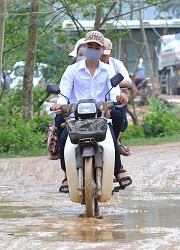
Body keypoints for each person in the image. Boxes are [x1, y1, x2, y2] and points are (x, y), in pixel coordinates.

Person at [50, 31, 132, 193]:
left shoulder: (108, 70)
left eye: (97, 47)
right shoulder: (71, 70)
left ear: (102, 50)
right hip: (75, 118)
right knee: (65, 140)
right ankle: (67, 175)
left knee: (110, 142)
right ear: (84, 47)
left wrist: (120, 97)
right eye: (90, 46)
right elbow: (64, 94)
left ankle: (117, 169)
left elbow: (114, 92)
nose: (93, 50)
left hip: (100, 118)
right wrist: (58, 104)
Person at [100, 38, 132, 156]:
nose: (102, 57)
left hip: (112, 97)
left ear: (111, 52)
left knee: (120, 104)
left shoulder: (115, 64)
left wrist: (109, 83)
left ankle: (117, 141)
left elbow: (128, 83)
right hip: (93, 101)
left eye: (104, 54)